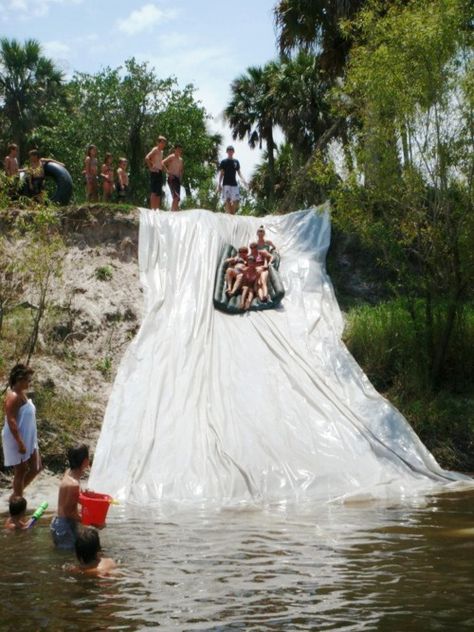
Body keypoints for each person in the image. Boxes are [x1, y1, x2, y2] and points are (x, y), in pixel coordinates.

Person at [2, 364, 41, 499]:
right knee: (21, 470)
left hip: (29, 437)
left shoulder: (22, 394)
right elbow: (11, 421)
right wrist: (20, 442)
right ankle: (18, 499)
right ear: (19, 379)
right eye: (28, 380)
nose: (30, 382)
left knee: (36, 468)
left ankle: (15, 495)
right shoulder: (13, 396)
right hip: (16, 438)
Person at [50, 444, 90, 551]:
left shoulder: (69, 472)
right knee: (68, 556)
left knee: (73, 551)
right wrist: (91, 522)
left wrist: (85, 496)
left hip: (59, 522)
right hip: (64, 525)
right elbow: (69, 512)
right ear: (86, 461)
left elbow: (70, 498)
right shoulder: (74, 485)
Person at [218, 145, 247, 214]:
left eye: (231, 150)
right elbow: (221, 173)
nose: (230, 151)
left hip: (234, 184)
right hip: (226, 184)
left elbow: (239, 172)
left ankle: (232, 214)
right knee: (227, 200)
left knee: (235, 201)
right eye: (229, 150)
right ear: (227, 152)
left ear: (233, 152)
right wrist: (219, 184)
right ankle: (229, 215)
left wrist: (244, 180)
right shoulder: (224, 162)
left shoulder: (236, 162)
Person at [145, 136, 167, 210]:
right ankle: (152, 208)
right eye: (162, 142)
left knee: (159, 191)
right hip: (154, 172)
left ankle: (157, 209)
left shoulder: (161, 152)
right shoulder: (155, 149)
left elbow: (160, 162)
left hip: (159, 172)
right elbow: (147, 157)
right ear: (158, 142)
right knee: (154, 191)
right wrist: (150, 167)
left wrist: (166, 170)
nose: (164, 144)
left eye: (164, 143)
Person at [162, 144, 184, 211]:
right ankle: (172, 211)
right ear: (175, 149)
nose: (179, 151)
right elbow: (162, 163)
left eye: (180, 149)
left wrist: (180, 178)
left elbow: (181, 170)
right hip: (171, 178)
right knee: (176, 196)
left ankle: (174, 210)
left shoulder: (181, 160)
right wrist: (168, 172)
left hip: (177, 179)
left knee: (177, 198)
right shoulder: (171, 157)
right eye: (177, 149)